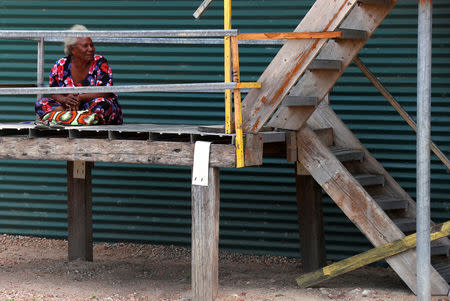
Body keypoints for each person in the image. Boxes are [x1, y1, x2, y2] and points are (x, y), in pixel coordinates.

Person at [35, 24, 123, 125]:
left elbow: (106, 91)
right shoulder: (60, 65)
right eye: (85, 46)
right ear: (72, 49)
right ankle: (83, 118)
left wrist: (80, 98)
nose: (91, 49)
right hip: (69, 106)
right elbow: (54, 92)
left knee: (102, 105)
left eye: (91, 45)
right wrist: (65, 100)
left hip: (90, 105)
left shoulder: (100, 62)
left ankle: (66, 118)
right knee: (41, 104)